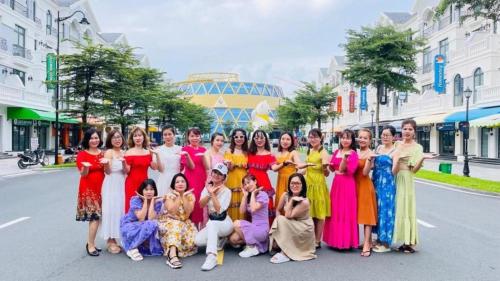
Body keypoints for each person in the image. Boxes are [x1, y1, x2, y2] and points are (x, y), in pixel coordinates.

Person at [392, 119, 434, 253]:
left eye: (410, 129)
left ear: (414, 132)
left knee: (406, 208)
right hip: (394, 177)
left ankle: (409, 241)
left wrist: (422, 158)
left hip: (406, 178)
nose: (407, 131)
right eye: (405, 129)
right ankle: (393, 237)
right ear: (401, 130)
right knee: (395, 208)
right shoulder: (397, 144)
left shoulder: (418, 148)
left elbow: (414, 170)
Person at [323, 129, 359, 250]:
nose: (345, 140)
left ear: (352, 140)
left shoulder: (353, 153)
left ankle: (345, 242)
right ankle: (334, 240)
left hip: (347, 183)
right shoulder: (337, 151)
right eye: (343, 138)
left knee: (346, 210)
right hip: (336, 183)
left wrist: (344, 159)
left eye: (348, 138)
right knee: (335, 210)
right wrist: (328, 166)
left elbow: (348, 170)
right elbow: (333, 169)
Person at [269, 173, 316, 264]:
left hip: (303, 227)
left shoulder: (305, 202)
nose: (294, 185)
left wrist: (292, 201)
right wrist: (278, 224)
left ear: (303, 185)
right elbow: (278, 210)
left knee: (282, 220)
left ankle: (286, 253)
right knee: (275, 245)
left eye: (298, 183)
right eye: (292, 183)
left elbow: (288, 215)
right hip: (291, 224)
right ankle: (285, 245)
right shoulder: (285, 195)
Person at [195, 163, 233, 271]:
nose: (216, 175)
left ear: (224, 177)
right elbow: (201, 205)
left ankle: (212, 256)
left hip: (225, 224)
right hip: (213, 224)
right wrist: (209, 192)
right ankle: (219, 240)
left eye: (220, 174)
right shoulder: (207, 188)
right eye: (215, 172)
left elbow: (219, 210)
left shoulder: (227, 191)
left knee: (212, 224)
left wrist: (212, 194)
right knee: (197, 241)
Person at [298, 128, 330, 249]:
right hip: (308, 185)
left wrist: (325, 168)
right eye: (310, 137)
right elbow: (306, 168)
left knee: (320, 214)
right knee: (310, 213)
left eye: (315, 137)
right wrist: (297, 173)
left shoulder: (324, 152)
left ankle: (317, 240)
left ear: (320, 137)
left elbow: (326, 174)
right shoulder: (309, 151)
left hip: (318, 185)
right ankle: (311, 238)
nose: (312, 139)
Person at [76, 128, 105, 257]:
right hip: (88, 189)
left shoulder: (103, 154)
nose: (94, 140)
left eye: (96, 138)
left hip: (103, 188)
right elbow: (83, 173)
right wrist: (86, 167)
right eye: (92, 138)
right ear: (87, 140)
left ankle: (91, 242)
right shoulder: (82, 154)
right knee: (94, 217)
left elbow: (107, 171)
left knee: (98, 217)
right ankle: (90, 245)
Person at [158, 173, 197, 269]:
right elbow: (172, 211)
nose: (180, 183)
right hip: (169, 223)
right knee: (176, 225)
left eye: (182, 181)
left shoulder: (190, 196)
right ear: (173, 185)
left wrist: (183, 196)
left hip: (184, 223)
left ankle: (174, 250)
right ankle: (172, 256)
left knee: (189, 239)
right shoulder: (169, 196)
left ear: (186, 184)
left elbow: (188, 212)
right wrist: (178, 197)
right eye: (177, 182)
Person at [120, 179, 164, 261]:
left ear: (155, 191)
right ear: (142, 190)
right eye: (146, 189)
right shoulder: (135, 199)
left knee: (152, 223)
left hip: (144, 226)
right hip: (130, 225)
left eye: (151, 189)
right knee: (149, 224)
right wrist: (145, 201)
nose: (149, 192)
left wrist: (152, 201)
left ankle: (133, 243)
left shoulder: (157, 202)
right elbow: (141, 218)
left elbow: (151, 218)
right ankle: (132, 247)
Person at [370, 125, 397, 253]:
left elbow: (394, 170)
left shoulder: (395, 151)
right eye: (383, 134)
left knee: (386, 212)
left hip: (387, 184)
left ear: (393, 137)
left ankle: (386, 243)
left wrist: (398, 161)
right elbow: (372, 165)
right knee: (377, 210)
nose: (384, 137)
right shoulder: (379, 148)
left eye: (387, 135)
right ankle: (379, 239)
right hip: (375, 182)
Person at [228, 174, 269, 258]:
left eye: (248, 182)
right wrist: (245, 196)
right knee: (233, 239)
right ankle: (256, 245)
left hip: (262, 229)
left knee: (236, 224)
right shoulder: (249, 197)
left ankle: (252, 246)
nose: (247, 185)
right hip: (254, 227)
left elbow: (253, 208)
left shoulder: (263, 194)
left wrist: (253, 194)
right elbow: (242, 211)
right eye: (245, 184)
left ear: (255, 181)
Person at [100, 129, 127, 254]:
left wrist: (125, 162)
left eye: (119, 137)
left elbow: (126, 171)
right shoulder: (109, 152)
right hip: (111, 183)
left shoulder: (123, 152)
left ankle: (116, 237)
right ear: (110, 140)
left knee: (119, 210)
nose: (117, 139)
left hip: (121, 183)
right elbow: (108, 171)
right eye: (114, 137)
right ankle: (110, 240)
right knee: (110, 209)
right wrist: (106, 164)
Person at [124, 127, 160, 212]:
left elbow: (155, 167)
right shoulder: (128, 152)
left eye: (140, 135)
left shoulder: (148, 152)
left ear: (144, 137)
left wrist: (154, 155)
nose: (138, 138)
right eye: (135, 136)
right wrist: (123, 162)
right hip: (131, 184)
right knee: (132, 208)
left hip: (145, 184)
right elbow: (127, 171)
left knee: (145, 207)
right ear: (132, 138)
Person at [247, 130, 279, 223]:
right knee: (251, 204)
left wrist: (284, 164)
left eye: (261, 138)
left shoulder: (270, 154)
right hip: (250, 183)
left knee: (266, 205)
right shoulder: (249, 153)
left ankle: (267, 231)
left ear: (266, 139)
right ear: (253, 139)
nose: (259, 140)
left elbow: (274, 168)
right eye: (256, 138)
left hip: (264, 183)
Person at [356, 129, 378, 257]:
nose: (362, 140)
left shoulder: (372, 154)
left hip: (364, 185)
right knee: (357, 214)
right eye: (360, 137)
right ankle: (368, 241)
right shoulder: (355, 152)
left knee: (366, 216)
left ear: (370, 140)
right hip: (354, 185)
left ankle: (366, 244)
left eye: (365, 138)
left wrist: (369, 160)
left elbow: (365, 173)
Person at [181, 127, 206, 227]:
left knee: (201, 204)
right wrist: (187, 156)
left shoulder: (204, 150)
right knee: (192, 203)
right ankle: (192, 230)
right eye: (192, 136)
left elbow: (207, 166)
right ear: (188, 137)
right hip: (191, 180)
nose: (195, 138)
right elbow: (191, 166)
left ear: (200, 137)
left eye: (197, 136)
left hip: (202, 179)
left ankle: (201, 229)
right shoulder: (185, 150)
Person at [224, 128, 249, 220]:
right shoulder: (229, 151)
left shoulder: (247, 152)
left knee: (244, 201)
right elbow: (229, 168)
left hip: (245, 180)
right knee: (232, 202)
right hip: (232, 179)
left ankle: (243, 227)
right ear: (233, 138)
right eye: (236, 137)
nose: (239, 139)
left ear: (245, 138)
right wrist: (231, 164)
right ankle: (231, 227)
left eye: (241, 136)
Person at [157, 125, 188, 196]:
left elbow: (183, 166)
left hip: (177, 180)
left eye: (170, 134)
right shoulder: (158, 150)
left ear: (174, 135)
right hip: (164, 180)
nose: (167, 137)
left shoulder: (181, 149)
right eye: (165, 135)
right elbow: (160, 169)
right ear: (162, 136)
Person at [272, 132, 301, 209]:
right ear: (280, 140)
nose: (285, 141)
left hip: (291, 181)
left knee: (289, 203)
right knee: (280, 203)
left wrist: (301, 166)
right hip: (280, 180)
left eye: (288, 139)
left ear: (291, 142)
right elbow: (274, 169)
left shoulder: (293, 153)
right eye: (283, 139)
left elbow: (299, 163)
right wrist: (284, 163)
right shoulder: (277, 154)